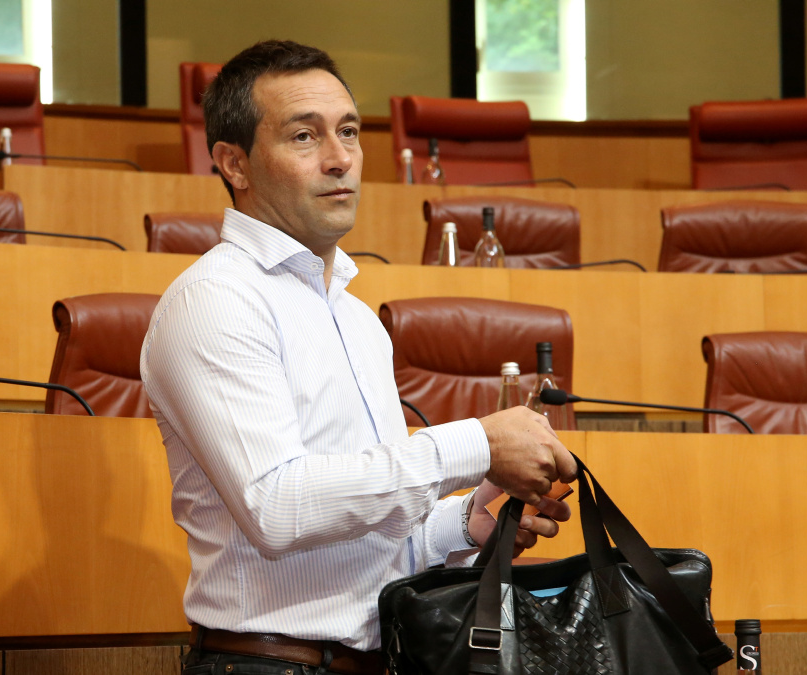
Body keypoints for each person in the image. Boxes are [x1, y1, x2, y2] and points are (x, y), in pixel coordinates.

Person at [140, 40, 577, 675]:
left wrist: (462, 524)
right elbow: (278, 507)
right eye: (303, 136)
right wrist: (476, 443)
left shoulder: (355, 318)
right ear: (234, 163)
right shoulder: (215, 300)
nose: (340, 158)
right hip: (269, 665)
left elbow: (361, 542)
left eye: (349, 131)